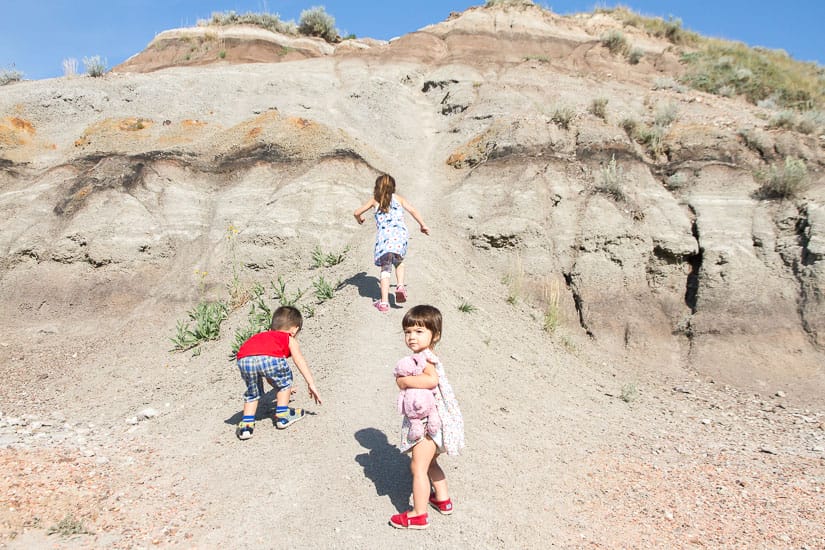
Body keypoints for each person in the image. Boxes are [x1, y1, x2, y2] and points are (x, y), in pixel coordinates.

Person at [390, 305, 465, 530]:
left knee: (418, 467)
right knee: (431, 462)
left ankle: (418, 514)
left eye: (419, 331)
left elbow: (430, 381)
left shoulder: (426, 358)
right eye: (408, 331)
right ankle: (442, 500)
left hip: (426, 424)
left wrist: (403, 382)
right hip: (435, 422)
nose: (412, 336)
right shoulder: (422, 356)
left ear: (436, 335)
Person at [234, 305, 322, 440]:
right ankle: (282, 415)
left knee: (253, 392)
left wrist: (276, 386)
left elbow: (267, 372)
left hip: (244, 357)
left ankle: (246, 425)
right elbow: (299, 360)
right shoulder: (288, 338)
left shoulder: (262, 336)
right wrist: (310, 383)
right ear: (295, 329)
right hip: (269, 359)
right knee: (285, 383)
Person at [353, 173, 430, 312]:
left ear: (376, 187)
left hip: (384, 238)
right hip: (400, 235)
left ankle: (383, 303)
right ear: (393, 187)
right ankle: (400, 285)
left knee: (385, 268)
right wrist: (422, 225)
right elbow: (412, 210)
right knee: (399, 261)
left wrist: (360, 219)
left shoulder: (374, 200)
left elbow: (356, 212)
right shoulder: (399, 199)